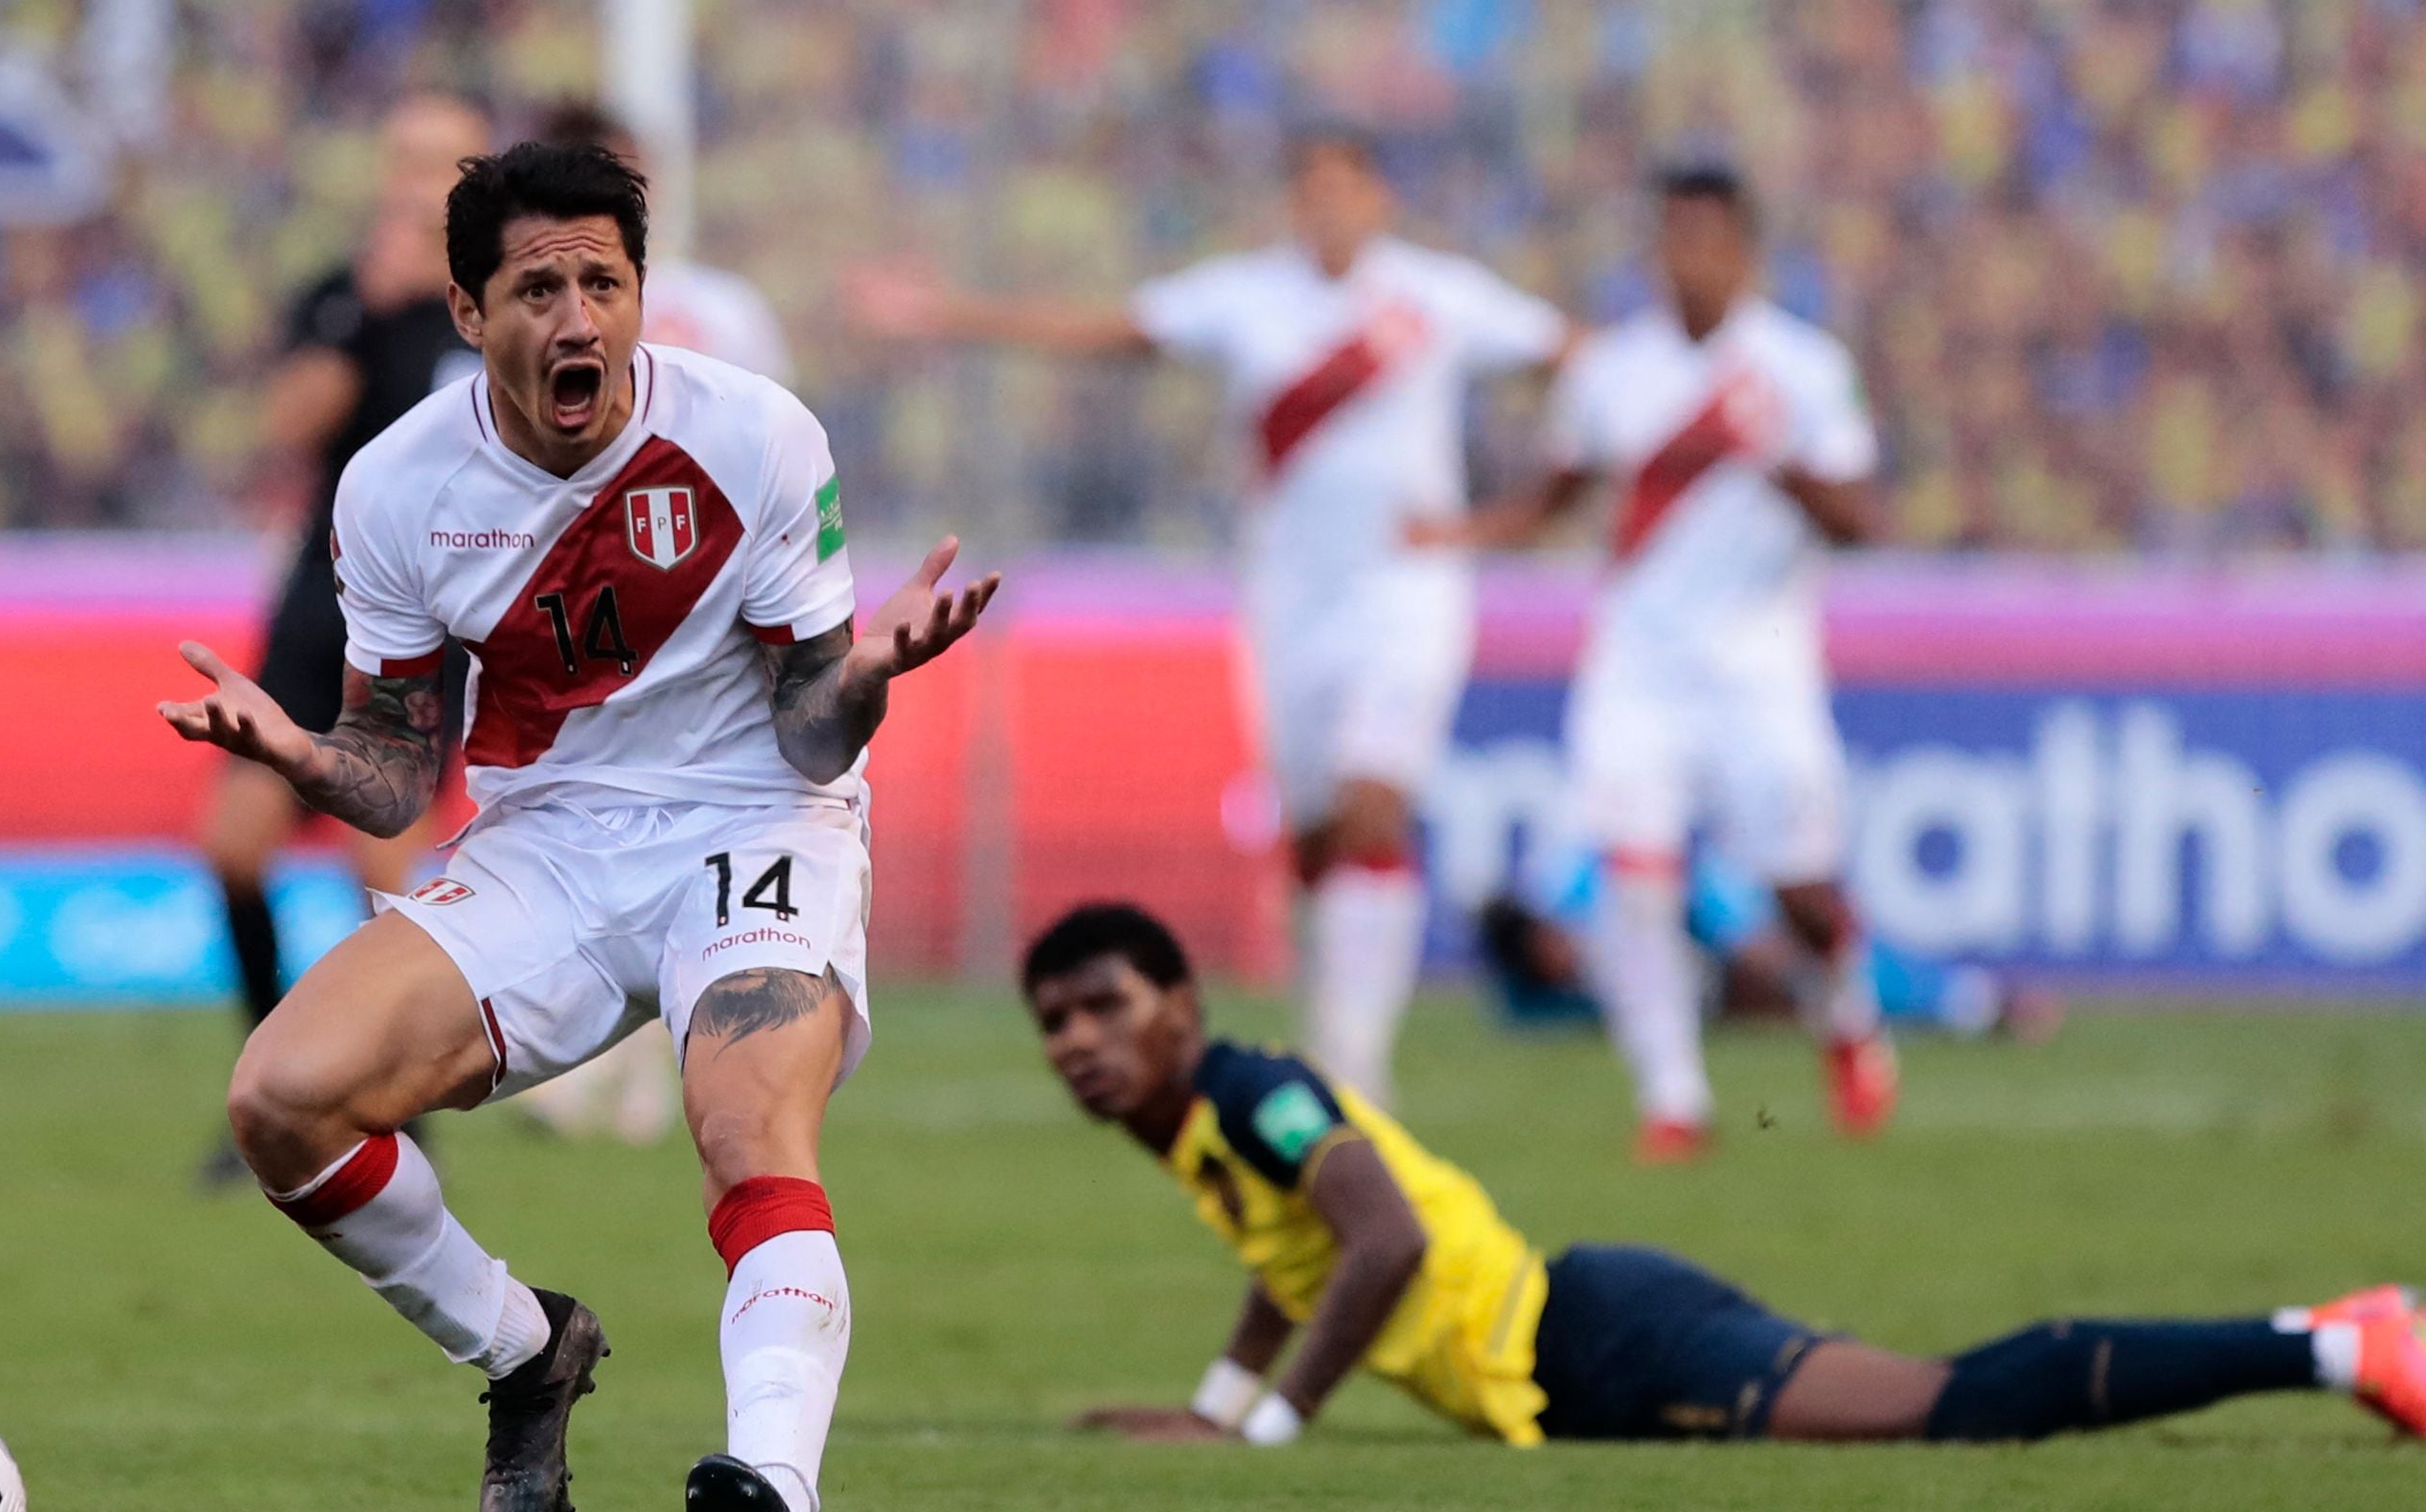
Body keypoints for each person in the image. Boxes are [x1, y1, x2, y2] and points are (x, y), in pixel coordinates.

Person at [158, 141, 997, 1512]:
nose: (576, 318)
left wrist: (869, 674)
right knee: (281, 1096)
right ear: (470, 309)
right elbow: (400, 773)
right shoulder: (399, 485)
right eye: (535, 287)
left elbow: (808, 723)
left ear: (638, 293)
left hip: (759, 814)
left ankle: (771, 1502)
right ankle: (523, 1345)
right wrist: (294, 753)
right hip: (547, 841)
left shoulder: (750, 433)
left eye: (601, 282)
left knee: (747, 1127)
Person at [1022, 902, 2426, 1452]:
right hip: (1576, 1350)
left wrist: (1269, 1427)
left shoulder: (1253, 1093)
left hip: (1594, 1336)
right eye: (1055, 1022)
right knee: (1934, 1406)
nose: (1079, 1040)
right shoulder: (1216, 1124)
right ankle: (2343, 1342)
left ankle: (2348, 1341)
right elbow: (1292, 1258)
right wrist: (1211, 1405)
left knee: (1945, 1407)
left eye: (1103, 1004)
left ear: (1180, 1006)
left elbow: (1382, 1239)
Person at [852, 125, 1566, 1111]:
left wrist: (1510, 516)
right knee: (1315, 835)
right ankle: (1331, 1022)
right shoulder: (1247, 299)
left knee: (1372, 805)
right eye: (1308, 188)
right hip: (1286, 598)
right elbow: (1110, 335)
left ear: (1376, 200)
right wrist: (948, 314)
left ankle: (1353, 1064)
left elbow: (1576, 361)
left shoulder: (1438, 297)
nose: (1325, 207)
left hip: (1406, 592)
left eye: (1342, 188)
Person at [1456, 164, 1890, 1162]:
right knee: (1634, 876)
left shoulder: (1802, 368)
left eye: (1706, 240)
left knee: (1801, 892)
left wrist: (1774, 454)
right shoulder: (1610, 370)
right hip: (1635, 664)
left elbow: (1857, 520)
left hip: (1757, 663)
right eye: (1671, 240)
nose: (1686, 260)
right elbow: (1557, 491)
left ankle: (1848, 1019)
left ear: (1742, 252)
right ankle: (1672, 1095)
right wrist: (1458, 533)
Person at [195, 91, 490, 1184]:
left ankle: (393, 1098)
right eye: (400, 156)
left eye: (437, 159)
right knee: (232, 845)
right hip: (320, 598)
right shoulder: (343, 291)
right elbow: (288, 428)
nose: (413, 179)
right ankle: (272, 1078)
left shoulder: (499, 299)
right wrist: (363, 309)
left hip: (426, 608)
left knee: (387, 860)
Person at [512, 97, 798, 1148]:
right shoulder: (522, 304)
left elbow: (778, 450)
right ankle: (584, 1060)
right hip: (581, 607)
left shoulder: (720, 310)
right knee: (582, 823)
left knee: (681, 829)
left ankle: (643, 1072)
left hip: (705, 607)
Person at [1473, 851, 2060, 1044]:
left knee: (1817, 975)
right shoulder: (1536, 998)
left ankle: (1976, 1002)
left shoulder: (1589, 891)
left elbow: (1684, 880)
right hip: (1702, 989)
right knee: (1803, 1000)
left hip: (1715, 937)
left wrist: (1745, 944)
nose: (1559, 962)